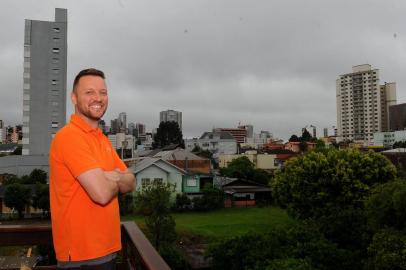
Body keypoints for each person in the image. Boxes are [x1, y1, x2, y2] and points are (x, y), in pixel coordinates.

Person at [49, 68, 135, 269]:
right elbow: (102, 194)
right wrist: (116, 178)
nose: (98, 98)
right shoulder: (69, 137)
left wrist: (109, 177)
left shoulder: (101, 139)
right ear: (74, 98)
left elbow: (131, 181)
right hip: (82, 257)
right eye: (89, 92)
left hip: (106, 250)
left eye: (103, 92)